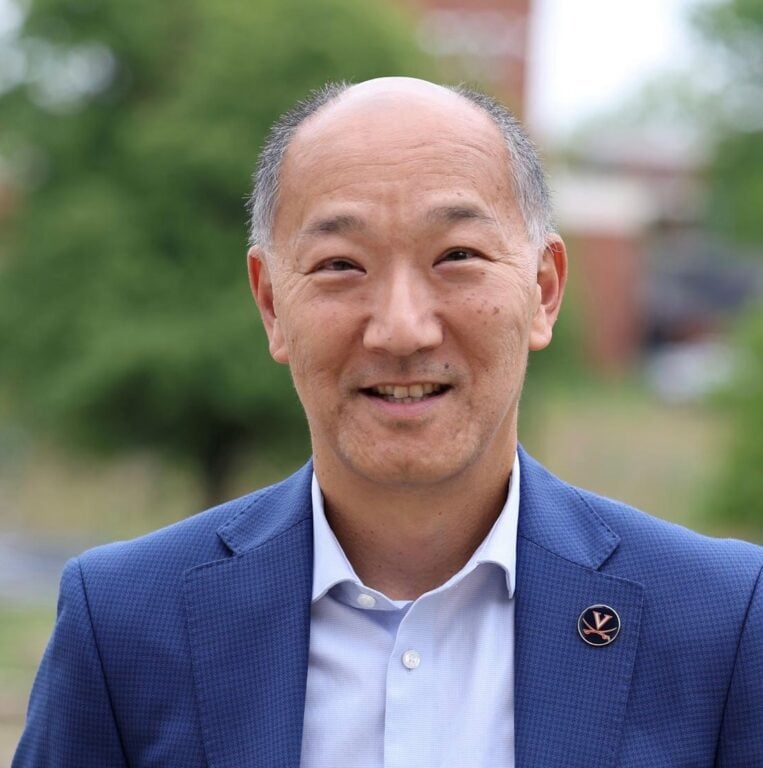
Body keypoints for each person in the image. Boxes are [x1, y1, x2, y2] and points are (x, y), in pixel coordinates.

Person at [14, 78, 762, 768]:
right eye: (341, 265)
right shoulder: (123, 625)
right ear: (272, 305)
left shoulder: (718, 621)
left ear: (542, 289)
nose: (401, 330)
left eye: (457, 255)